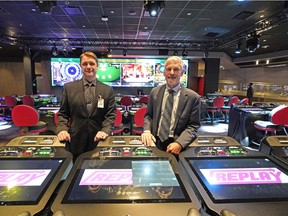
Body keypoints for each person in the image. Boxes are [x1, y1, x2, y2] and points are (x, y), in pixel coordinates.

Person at [56, 51, 116, 160]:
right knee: (76, 171)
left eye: (92, 64)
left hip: (99, 139)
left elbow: (110, 115)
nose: (88, 67)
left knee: (96, 172)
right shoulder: (69, 88)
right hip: (75, 140)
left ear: (97, 66)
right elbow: (63, 114)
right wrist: (62, 129)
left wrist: (105, 130)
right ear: (80, 66)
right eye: (85, 64)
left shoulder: (107, 90)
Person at [141, 56, 201, 156]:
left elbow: (193, 126)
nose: (172, 73)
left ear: (182, 72)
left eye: (176, 69)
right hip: (155, 142)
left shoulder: (193, 97)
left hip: (177, 144)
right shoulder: (155, 92)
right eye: (168, 69)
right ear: (164, 72)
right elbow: (148, 116)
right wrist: (147, 131)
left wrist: (180, 143)